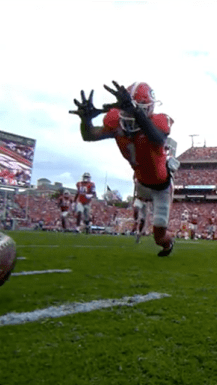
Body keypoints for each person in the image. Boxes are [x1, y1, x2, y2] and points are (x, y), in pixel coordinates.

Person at [69, 81, 177, 256]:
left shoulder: (158, 123)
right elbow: (88, 135)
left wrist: (134, 111)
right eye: (127, 109)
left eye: (135, 109)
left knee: (159, 238)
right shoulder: (117, 124)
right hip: (140, 183)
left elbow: (157, 139)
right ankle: (138, 230)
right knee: (137, 211)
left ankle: (169, 242)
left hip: (161, 186)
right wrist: (85, 120)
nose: (131, 114)